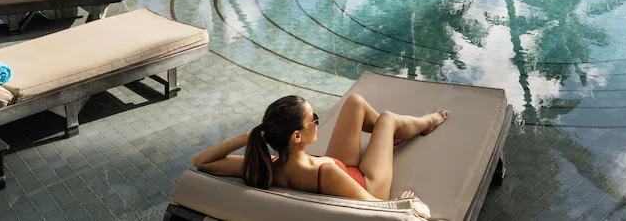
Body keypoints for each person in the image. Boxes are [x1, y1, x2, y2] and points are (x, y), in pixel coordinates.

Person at [191, 94, 448, 203]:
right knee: (388, 119)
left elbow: (201, 161)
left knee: (355, 102)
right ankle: (428, 122)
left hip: (339, 168)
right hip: (366, 183)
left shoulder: (267, 167)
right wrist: (402, 205)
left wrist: (251, 135)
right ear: (296, 136)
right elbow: (374, 208)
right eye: (312, 120)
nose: (317, 123)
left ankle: (390, 139)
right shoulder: (326, 172)